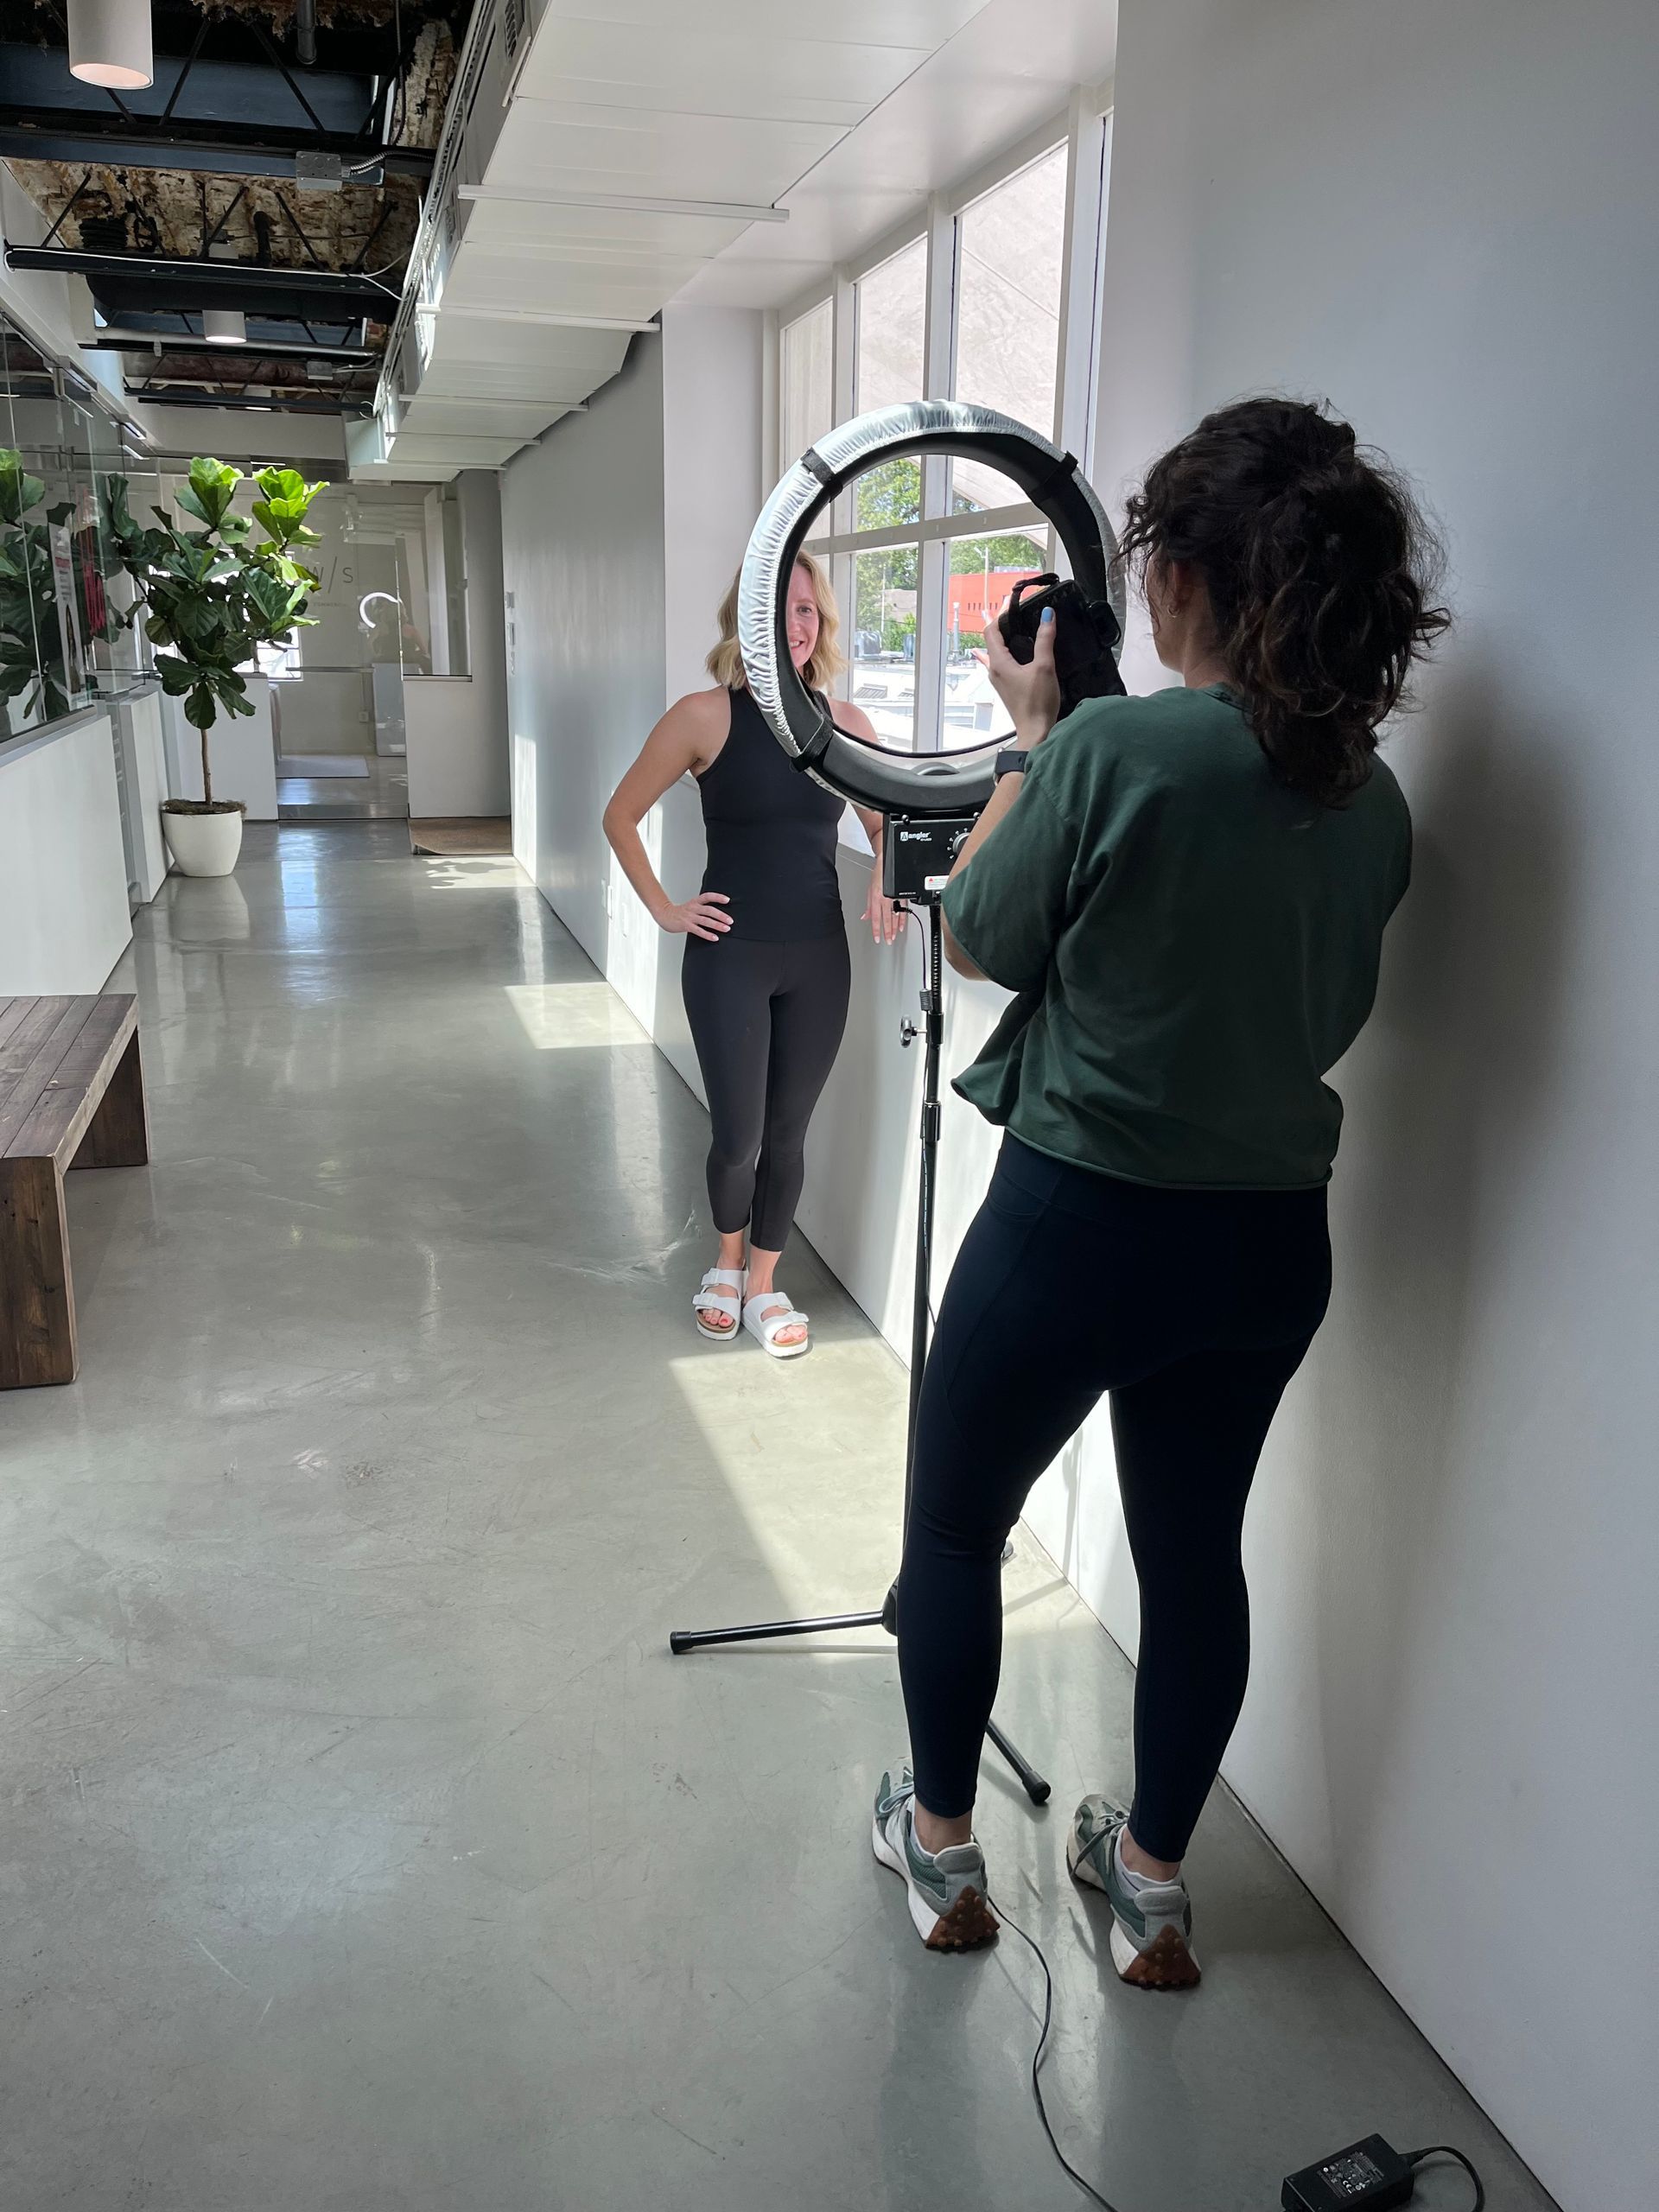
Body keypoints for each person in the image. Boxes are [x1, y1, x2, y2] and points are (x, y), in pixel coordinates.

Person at [871, 397, 1450, 1980]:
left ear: (1187, 577)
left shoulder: (1114, 746)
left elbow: (981, 935)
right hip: (1269, 1246)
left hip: (1081, 1223)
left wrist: (1033, 736)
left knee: (951, 1533)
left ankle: (937, 1854)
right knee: (1197, 1553)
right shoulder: (1374, 799)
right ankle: (1153, 1886)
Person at [603, 554, 906, 1357]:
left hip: (818, 958)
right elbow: (620, 814)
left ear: (824, 623)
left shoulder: (846, 725)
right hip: (728, 956)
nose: (797, 626)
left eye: (808, 611)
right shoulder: (704, 717)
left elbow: (885, 826)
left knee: (789, 1133)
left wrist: (886, 873)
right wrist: (668, 910)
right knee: (738, 1136)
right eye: (780, 610)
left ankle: (767, 1283)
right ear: (747, 623)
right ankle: (727, 1264)